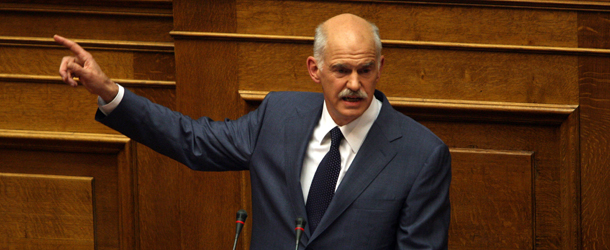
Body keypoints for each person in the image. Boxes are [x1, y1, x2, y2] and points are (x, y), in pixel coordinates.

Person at [55, 13, 451, 250]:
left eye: (365, 70)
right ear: (315, 70)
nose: (354, 84)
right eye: (341, 70)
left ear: (380, 68)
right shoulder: (278, 116)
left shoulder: (420, 154)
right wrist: (109, 92)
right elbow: (193, 141)